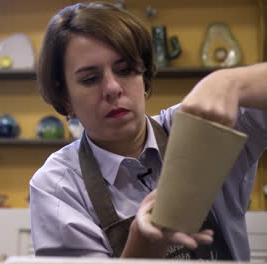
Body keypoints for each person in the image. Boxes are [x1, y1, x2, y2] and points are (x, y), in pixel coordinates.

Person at [30, 2, 267, 261]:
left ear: (144, 78)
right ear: (65, 98)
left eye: (125, 70)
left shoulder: (200, 127)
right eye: (90, 79)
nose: (112, 88)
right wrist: (142, 242)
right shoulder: (58, 187)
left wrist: (231, 82)